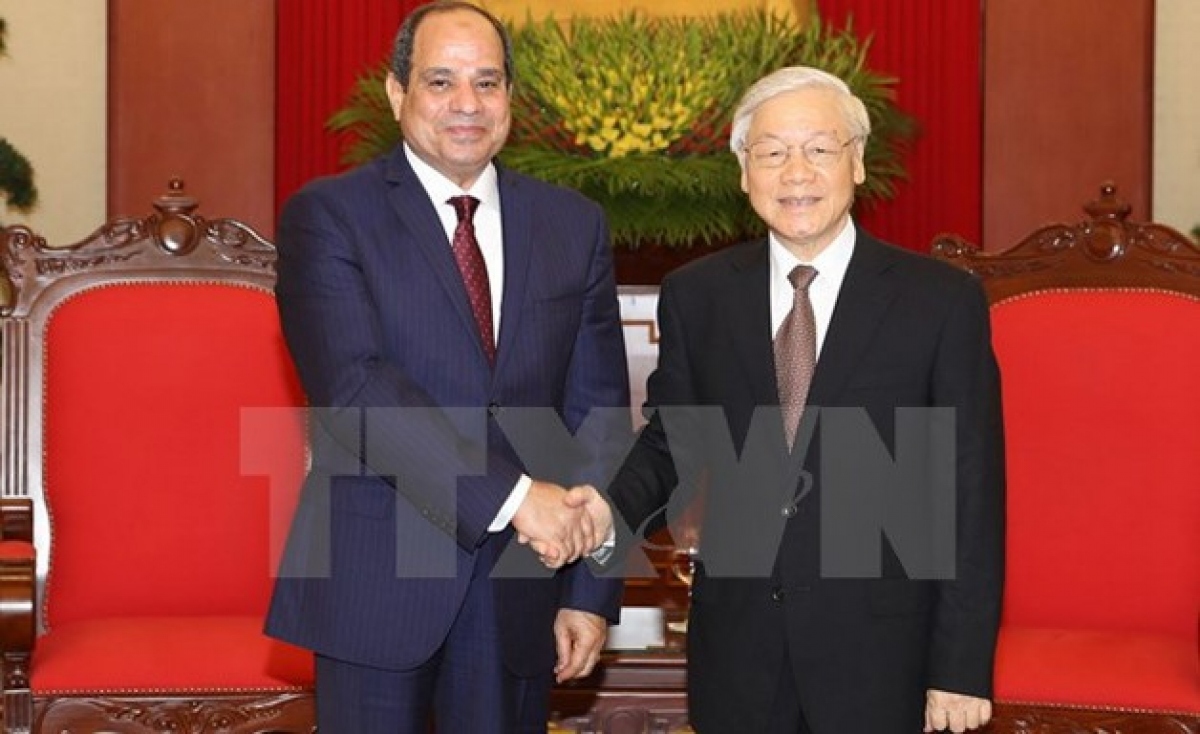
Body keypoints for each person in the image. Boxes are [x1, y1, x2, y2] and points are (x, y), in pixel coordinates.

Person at [586, 66, 1006, 733]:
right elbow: (675, 444)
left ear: (858, 162)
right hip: (739, 651)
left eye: (819, 148)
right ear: (745, 172)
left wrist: (958, 667)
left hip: (883, 654)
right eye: (773, 152)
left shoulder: (939, 302)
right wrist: (602, 515)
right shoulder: (698, 295)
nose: (796, 171)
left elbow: (970, 491)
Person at [264, 2, 631, 731]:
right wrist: (518, 496)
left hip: (524, 586)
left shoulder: (571, 224)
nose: (468, 104)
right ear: (398, 95)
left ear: (510, 101)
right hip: (377, 586)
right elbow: (357, 389)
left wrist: (589, 591)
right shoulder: (329, 216)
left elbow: (598, 413)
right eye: (441, 82)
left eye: (488, 83)